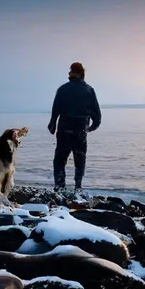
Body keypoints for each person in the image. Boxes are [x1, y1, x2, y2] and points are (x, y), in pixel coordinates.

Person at [48, 62, 101, 197]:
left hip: (64, 129)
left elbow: (55, 110)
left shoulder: (62, 89)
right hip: (80, 130)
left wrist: (52, 124)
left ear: (76, 73)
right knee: (80, 159)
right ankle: (78, 188)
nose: (68, 73)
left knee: (60, 159)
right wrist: (92, 126)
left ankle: (59, 188)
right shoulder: (89, 90)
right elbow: (96, 113)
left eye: (71, 71)